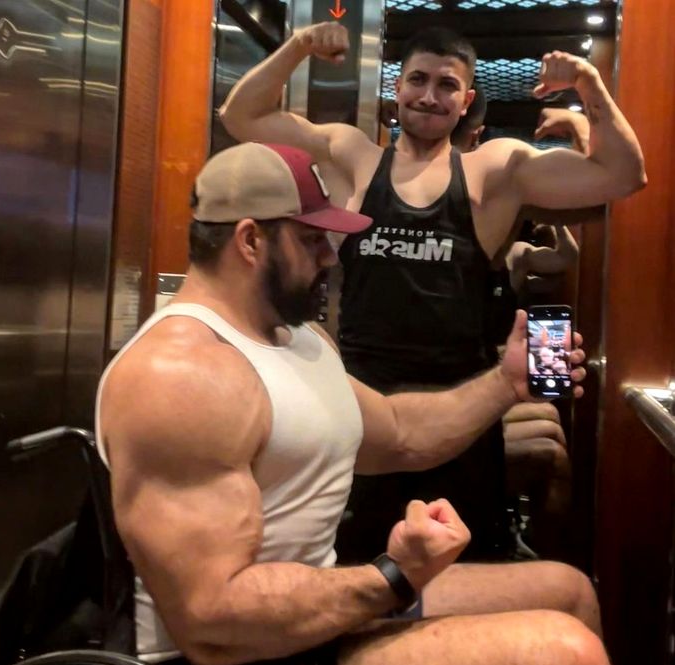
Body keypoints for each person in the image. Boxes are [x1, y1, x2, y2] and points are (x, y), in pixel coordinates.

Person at [96, 141, 613, 665]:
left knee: (569, 591)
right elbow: (210, 621)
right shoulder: (182, 375)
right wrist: (393, 576)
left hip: (303, 620)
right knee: (570, 659)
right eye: (311, 239)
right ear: (250, 241)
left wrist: (506, 384)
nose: (330, 257)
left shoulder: (296, 338)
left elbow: (400, 433)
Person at [219, 23, 646, 562]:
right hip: (363, 416)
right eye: (418, 80)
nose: (428, 96)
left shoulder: (494, 171)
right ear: (397, 88)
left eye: (447, 85)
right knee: (359, 570)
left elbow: (623, 176)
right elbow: (242, 116)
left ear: (466, 101)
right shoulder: (354, 157)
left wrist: (587, 82)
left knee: (461, 573)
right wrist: (299, 46)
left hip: (461, 420)